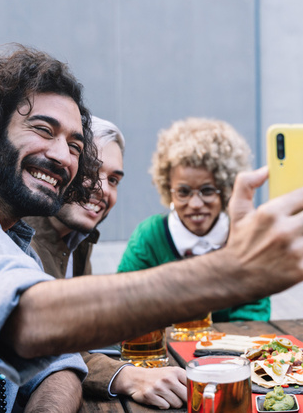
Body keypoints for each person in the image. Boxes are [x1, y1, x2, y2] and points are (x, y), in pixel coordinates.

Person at [0, 45, 303, 411]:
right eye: (43, 129)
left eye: (76, 145)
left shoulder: (17, 245)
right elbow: (27, 321)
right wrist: (231, 271)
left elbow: (58, 363)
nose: (63, 157)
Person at [25, 116, 186, 409]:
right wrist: (128, 377)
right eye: (91, 172)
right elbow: (47, 352)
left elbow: (79, 337)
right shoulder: (24, 243)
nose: (103, 189)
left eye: (113, 179)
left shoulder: (77, 240)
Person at [118, 118, 270, 322]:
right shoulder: (148, 238)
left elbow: (253, 319)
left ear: (225, 190)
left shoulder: (243, 237)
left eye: (207, 190)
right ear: (168, 190)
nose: (196, 203)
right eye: (183, 192)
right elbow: (121, 308)